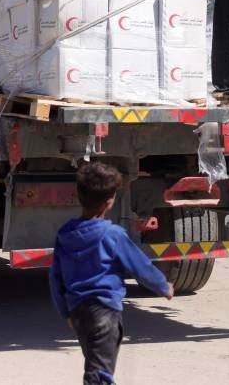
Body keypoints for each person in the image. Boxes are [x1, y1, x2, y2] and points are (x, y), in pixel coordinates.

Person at [50, 162, 173, 384]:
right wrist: (163, 286)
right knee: (99, 376)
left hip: (78, 313)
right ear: (110, 201)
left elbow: (55, 277)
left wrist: (65, 313)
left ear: (78, 195)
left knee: (97, 367)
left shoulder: (65, 234)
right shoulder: (113, 234)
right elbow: (140, 266)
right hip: (105, 313)